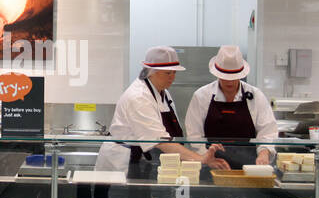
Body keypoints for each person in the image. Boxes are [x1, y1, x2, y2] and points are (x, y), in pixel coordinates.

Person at [96, 46, 229, 177]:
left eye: (174, 72)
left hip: (142, 162)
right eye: (167, 73)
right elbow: (161, 141)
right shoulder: (139, 97)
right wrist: (201, 159)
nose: (172, 77)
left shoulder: (164, 94)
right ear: (151, 71)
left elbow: (169, 137)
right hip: (122, 164)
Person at [183, 45, 278, 169]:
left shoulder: (256, 96)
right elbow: (194, 135)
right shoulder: (201, 96)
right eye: (225, 77)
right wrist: (207, 157)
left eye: (234, 77)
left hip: (248, 166)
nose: (229, 82)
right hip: (211, 165)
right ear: (216, 74)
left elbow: (267, 131)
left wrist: (264, 152)